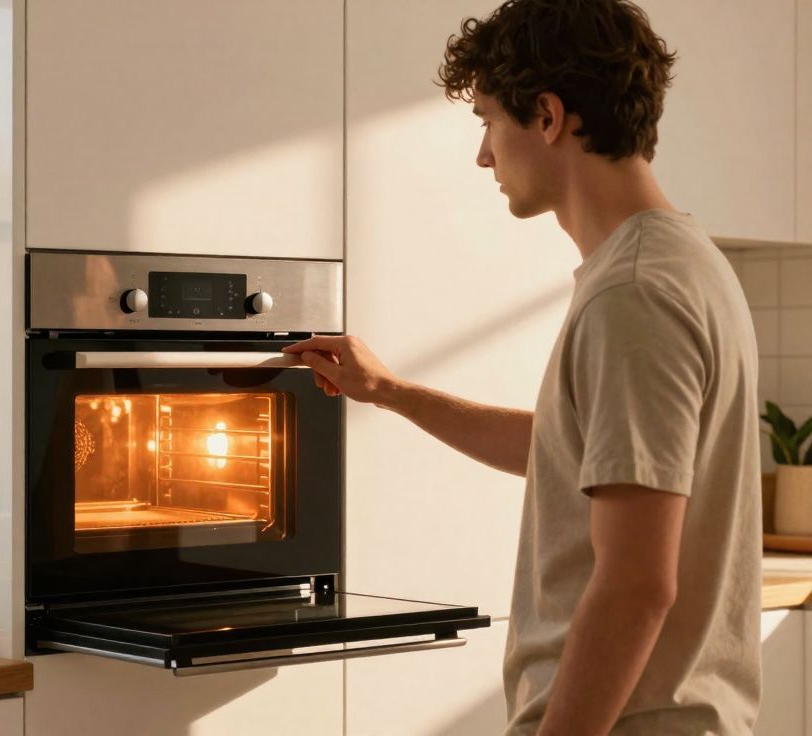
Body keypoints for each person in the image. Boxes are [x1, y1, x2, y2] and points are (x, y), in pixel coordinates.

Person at [285, 1, 762, 733]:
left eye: (486, 120)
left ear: (546, 116)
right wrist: (388, 391)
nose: (483, 154)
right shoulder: (683, 264)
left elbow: (636, 585)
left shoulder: (634, 294)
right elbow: (575, 453)